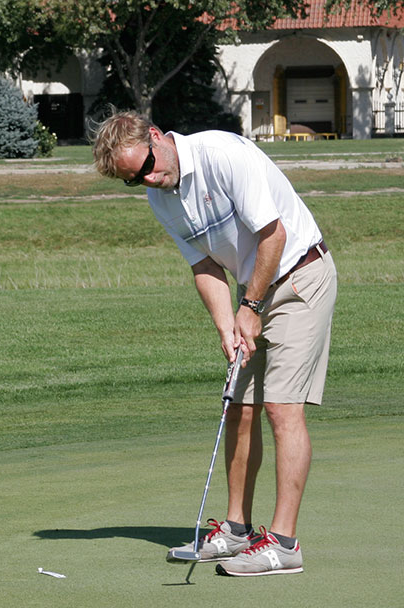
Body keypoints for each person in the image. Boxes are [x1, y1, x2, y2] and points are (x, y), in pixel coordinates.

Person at [91, 110, 337, 577]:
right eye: (133, 179)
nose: (148, 178)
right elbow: (205, 266)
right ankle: (236, 529)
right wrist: (227, 326)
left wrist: (251, 307)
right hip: (253, 291)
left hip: (300, 275)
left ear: (157, 137)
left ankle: (284, 545)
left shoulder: (222, 154)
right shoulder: (159, 197)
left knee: (281, 406)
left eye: (146, 166)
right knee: (239, 407)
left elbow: (273, 234)